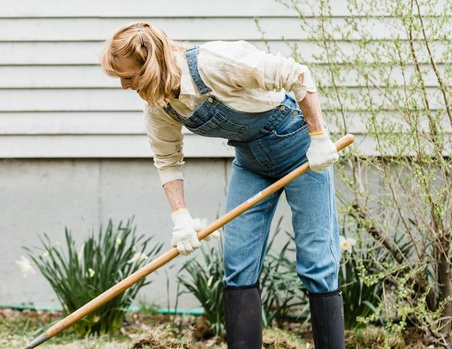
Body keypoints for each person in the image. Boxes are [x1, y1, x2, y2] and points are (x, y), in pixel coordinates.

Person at [100, 22, 344, 348]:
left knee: (317, 264)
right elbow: (167, 160)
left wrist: (319, 136)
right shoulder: (160, 104)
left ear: (148, 66)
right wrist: (180, 217)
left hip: (302, 149)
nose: (125, 86)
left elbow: (296, 74)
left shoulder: (214, 62)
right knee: (237, 264)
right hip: (252, 162)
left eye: (128, 77)